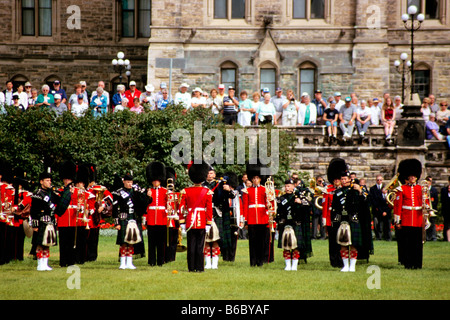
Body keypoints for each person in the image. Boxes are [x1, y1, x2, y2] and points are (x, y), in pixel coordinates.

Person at [30, 167, 73, 271]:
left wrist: (68, 192)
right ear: (41, 181)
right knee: (40, 244)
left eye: (50, 180)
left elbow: (60, 201)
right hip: (41, 221)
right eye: (47, 180)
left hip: (50, 220)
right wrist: (35, 225)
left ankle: (46, 263)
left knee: (47, 243)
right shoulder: (37, 194)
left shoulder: (51, 193)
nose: (49, 182)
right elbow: (33, 211)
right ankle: (40, 264)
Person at [393, 159, 431, 269]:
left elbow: (426, 202)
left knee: (418, 244)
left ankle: (417, 263)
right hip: (406, 219)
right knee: (407, 243)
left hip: (418, 219)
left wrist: (426, 210)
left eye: (414, 176)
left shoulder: (421, 189)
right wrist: (398, 221)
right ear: (407, 177)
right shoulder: (401, 189)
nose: (413, 178)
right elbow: (397, 206)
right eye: (411, 176)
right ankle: (408, 263)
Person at [178, 161, 213, 272]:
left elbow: (182, 209)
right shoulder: (207, 192)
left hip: (190, 221)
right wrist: (208, 223)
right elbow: (209, 209)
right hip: (201, 220)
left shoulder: (185, 191)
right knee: (200, 246)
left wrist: (182, 222)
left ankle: (191, 267)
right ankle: (199, 267)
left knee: (191, 245)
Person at [112, 173, 152, 269]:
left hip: (133, 218)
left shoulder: (135, 191)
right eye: (128, 182)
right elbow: (115, 208)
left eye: (131, 182)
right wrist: (116, 223)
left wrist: (148, 196)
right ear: (124, 182)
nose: (130, 184)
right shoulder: (119, 192)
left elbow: (143, 202)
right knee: (123, 242)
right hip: (123, 218)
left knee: (131, 241)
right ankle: (122, 262)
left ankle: (129, 262)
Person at [330, 164, 364, 272]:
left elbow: (363, 204)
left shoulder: (355, 191)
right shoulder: (337, 193)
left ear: (350, 180)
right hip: (342, 220)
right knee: (343, 244)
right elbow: (334, 208)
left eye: (345, 179)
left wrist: (360, 192)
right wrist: (334, 221)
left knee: (353, 244)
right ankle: (345, 265)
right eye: (342, 179)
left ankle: (352, 266)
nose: (343, 181)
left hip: (353, 220)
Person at [276, 178, 313, 271]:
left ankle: (294, 265)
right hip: (285, 224)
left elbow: (309, 206)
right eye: (286, 186)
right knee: (286, 246)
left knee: (296, 246)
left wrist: (301, 202)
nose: (287, 188)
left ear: (293, 186)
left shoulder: (299, 196)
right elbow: (278, 211)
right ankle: (288, 265)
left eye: (289, 186)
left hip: (296, 223)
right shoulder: (281, 198)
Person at [241, 161, 270, 267]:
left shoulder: (265, 189)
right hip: (252, 218)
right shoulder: (247, 191)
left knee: (261, 241)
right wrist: (245, 219)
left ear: (260, 179)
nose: (255, 180)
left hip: (262, 218)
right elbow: (245, 206)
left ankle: (260, 261)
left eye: (257, 178)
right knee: (252, 242)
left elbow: (268, 205)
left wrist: (268, 215)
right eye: (253, 178)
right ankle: (253, 262)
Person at [144, 162, 168, 267]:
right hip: (151, 218)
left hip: (162, 218)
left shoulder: (165, 191)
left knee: (161, 242)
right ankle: (152, 261)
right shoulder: (148, 191)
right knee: (151, 242)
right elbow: (145, 206)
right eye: (153, 180)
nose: (155, 182)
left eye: (157, 180)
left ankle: (160, 261)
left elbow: (168, 204)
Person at [370, 175, 392, 241]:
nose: (379, 181)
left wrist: (386, 211)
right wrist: (381, 211)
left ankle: (388, 238)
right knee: (378, 225)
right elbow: (374, 201)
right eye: (378, 180)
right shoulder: (372, 189)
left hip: (387, 211)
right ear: (376, 180)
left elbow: (390, 202)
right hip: (378, 210)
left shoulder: (388, 189)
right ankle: (378, 237)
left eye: (380, 180)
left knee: (387, 225)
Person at [425, 176, 438, 242]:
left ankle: (433, 237)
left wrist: (431, 208)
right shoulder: (424, 190)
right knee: (426, 224)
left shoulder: (434, 190)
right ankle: (426, 237)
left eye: (429, 181)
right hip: (425, 210)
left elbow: (436, 200)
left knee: (432, 224)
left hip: (431, 209)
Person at [441, 177, 450, 242]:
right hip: (446, 211)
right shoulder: (444, 190)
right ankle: (447, 239)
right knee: (447, 226)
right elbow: (443, 201)